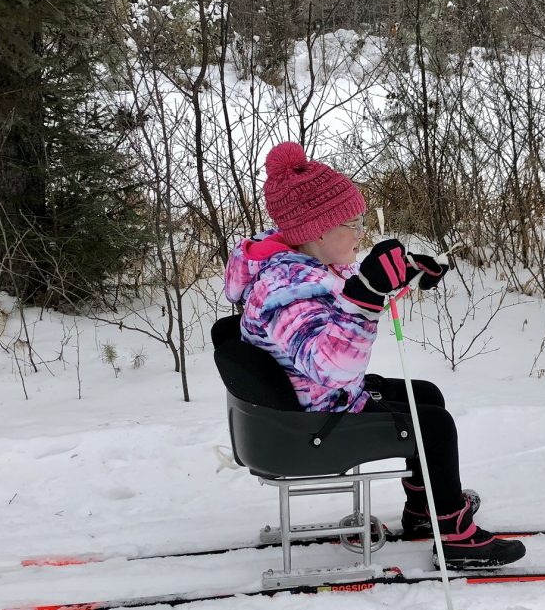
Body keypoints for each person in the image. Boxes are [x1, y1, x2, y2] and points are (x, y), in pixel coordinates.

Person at [223, 141, 525, 568]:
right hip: (309, 421)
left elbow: (347, 288)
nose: (361, 232)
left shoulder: (303, 265)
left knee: (426, 395)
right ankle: (454, 535)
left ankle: (425, 510)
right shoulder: (285, 288)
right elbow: (331, 366)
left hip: (307, 401)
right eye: (353, 223)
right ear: (317, 231)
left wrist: (405, 272)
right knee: (434, 426)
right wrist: (368, 296)